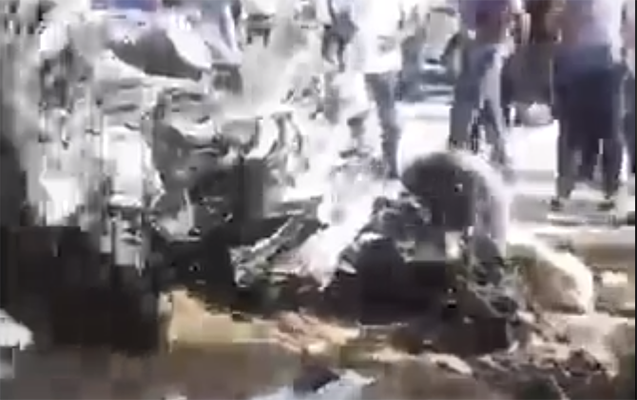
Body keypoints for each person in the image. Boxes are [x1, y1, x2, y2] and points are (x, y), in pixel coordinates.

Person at [549, 0, 633, 211]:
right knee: (571, 131)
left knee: (611, 130)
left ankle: (612, 190)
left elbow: (629, 24)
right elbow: (554, 22)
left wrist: (626, 50)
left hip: (608, 63)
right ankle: (564, 189)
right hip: (578, 63)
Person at [449, 0, 529, 179]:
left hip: (491, 48)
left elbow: (520, 17)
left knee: (473, 101)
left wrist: (517, 51)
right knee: (485, 104)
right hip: (474, 48)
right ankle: (499, 157)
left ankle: (461, 150)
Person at [340, 0, 412, 179]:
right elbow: (342, 18)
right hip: (355, 63)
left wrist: (397, 39)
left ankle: (391, 165)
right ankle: (363, 155)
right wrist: (341, 40)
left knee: (388, 118)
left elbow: (414, 22)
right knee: (355, 112)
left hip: (384, 65)